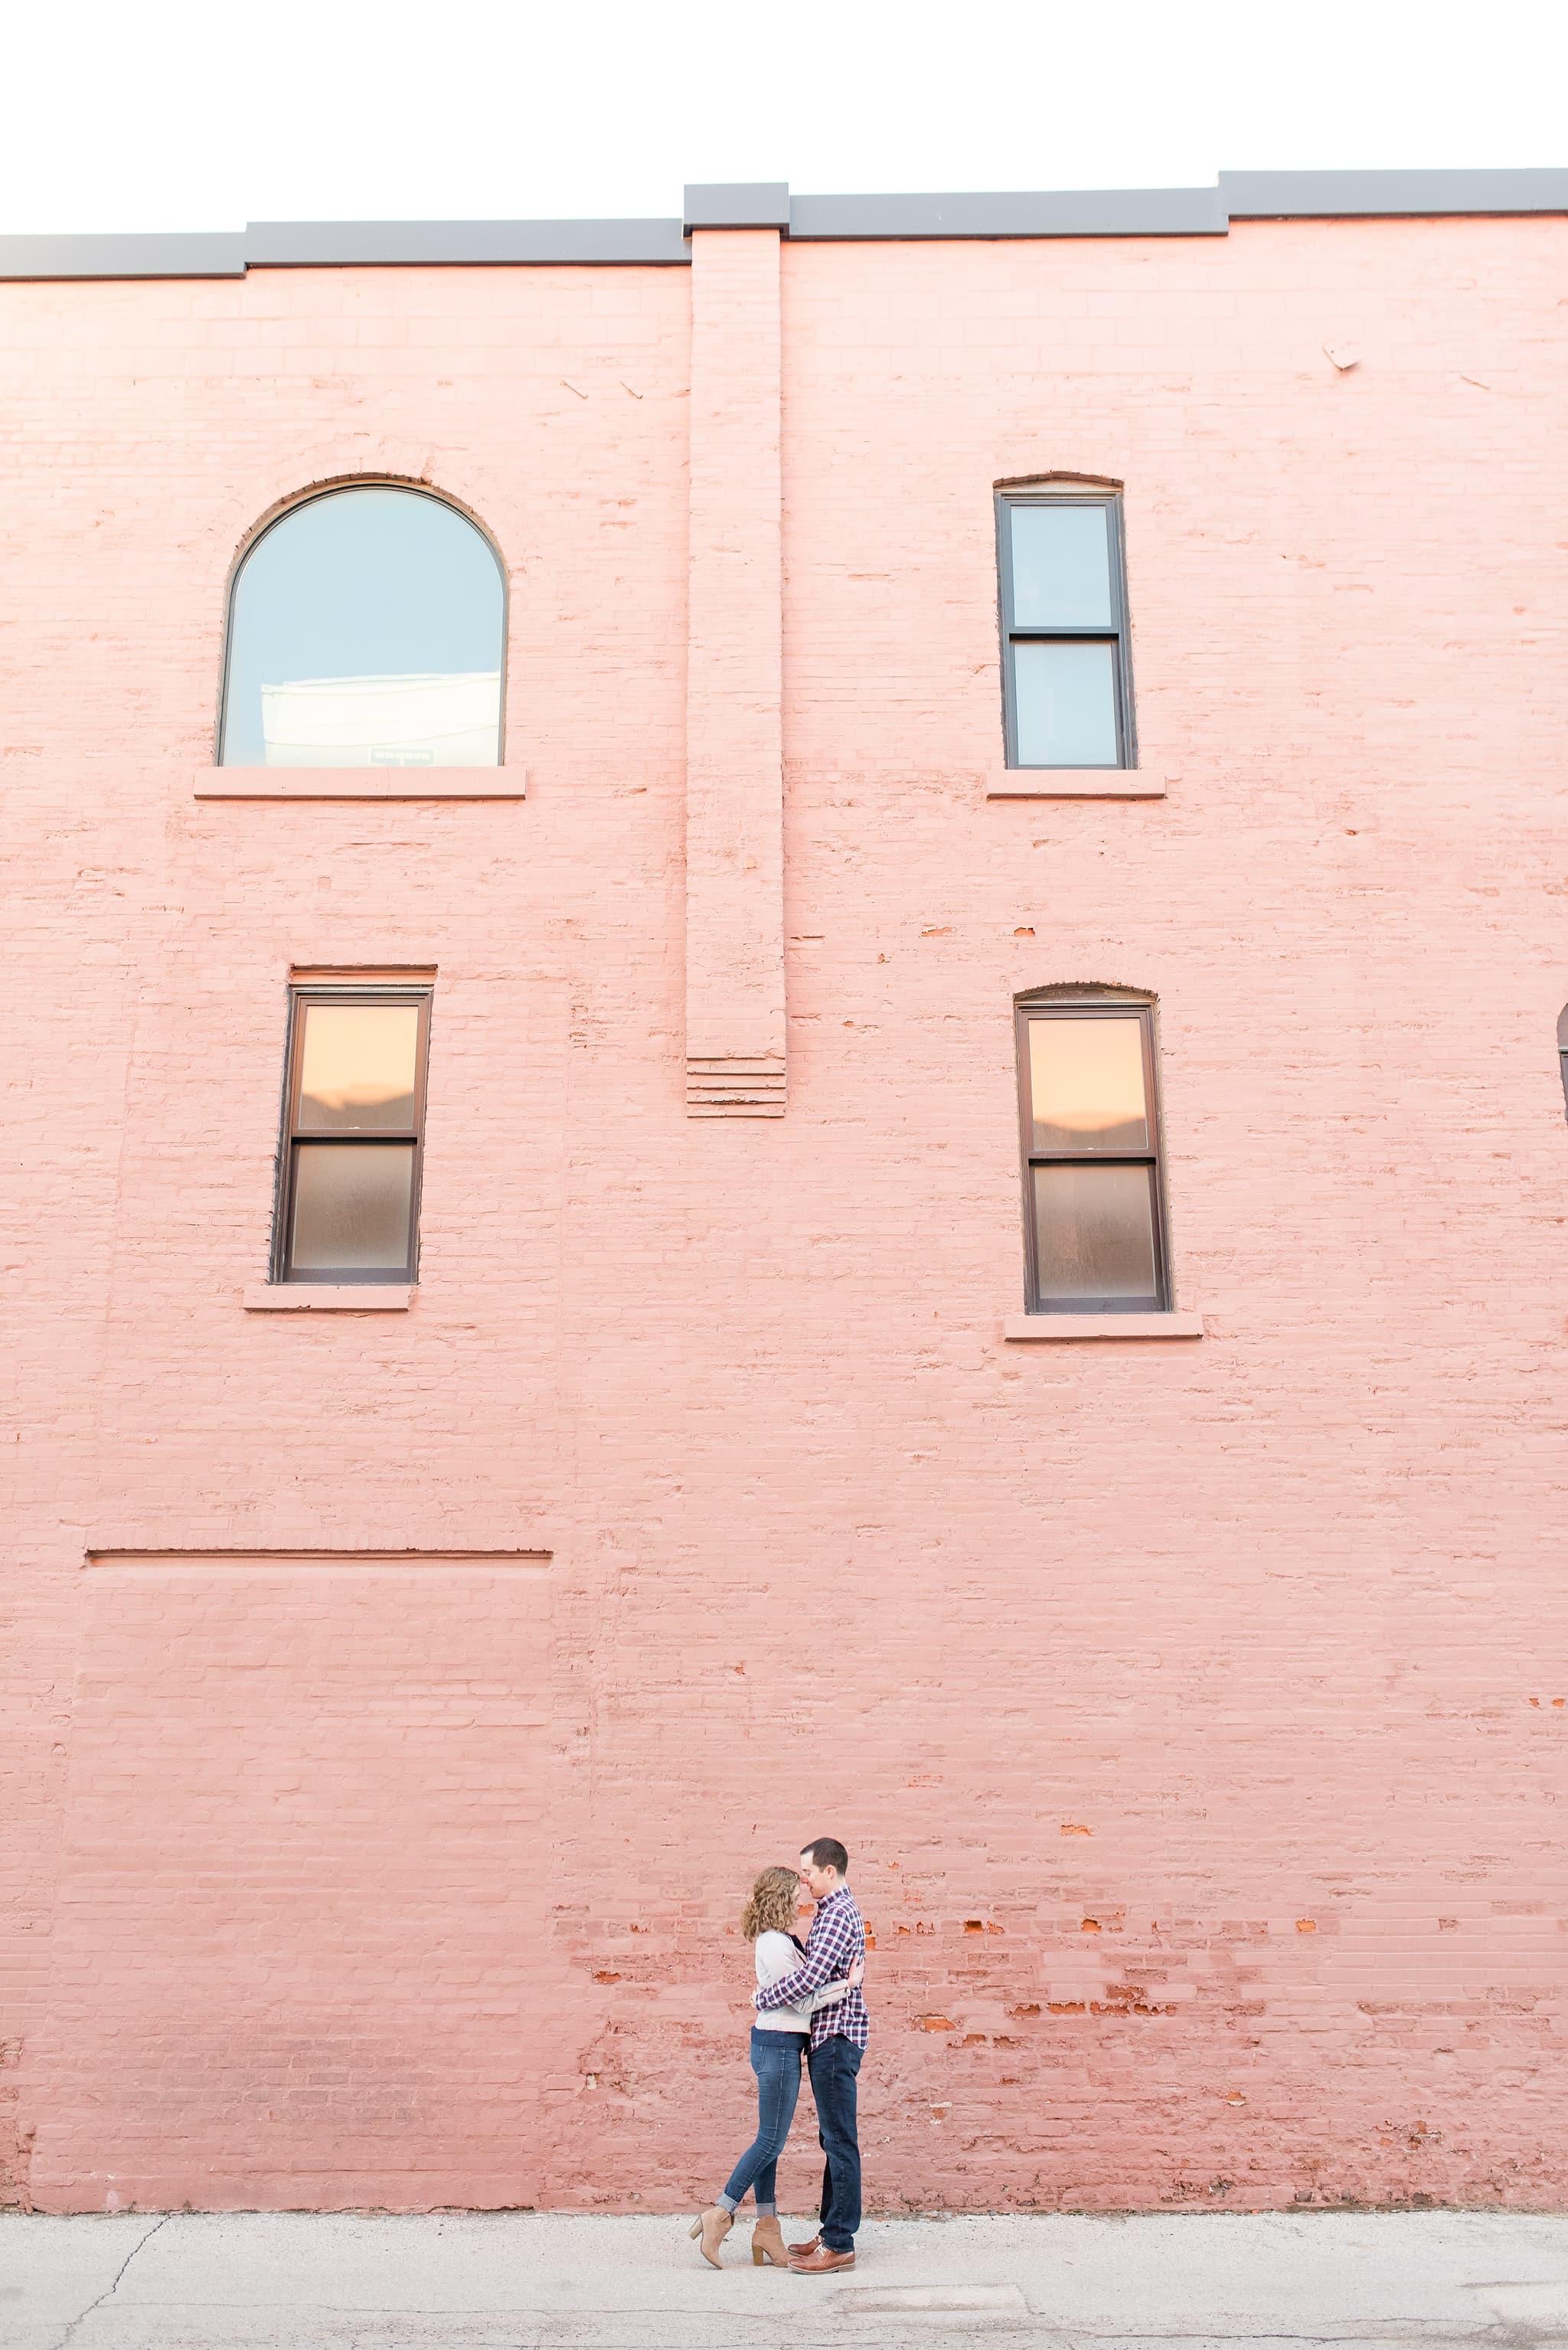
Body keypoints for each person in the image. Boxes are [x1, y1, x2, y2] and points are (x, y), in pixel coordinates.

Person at [689, 1865, 863, 2269]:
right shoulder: (774, 1944)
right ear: (782, 1898)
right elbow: (802, 2001)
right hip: (780, 2047)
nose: (803, 1892)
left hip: (782, 2045)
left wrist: (766, 1996)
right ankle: (720, 2213)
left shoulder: (782, 1940)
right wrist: (847, 1985)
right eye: (797, 1888)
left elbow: (787, 1992)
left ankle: (767, 2228)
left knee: (770, 2141)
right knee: (770, 2141)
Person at [753, 1836, 867, 2275]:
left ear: (829, 1872)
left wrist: (763, 1997)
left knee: (840, 2140)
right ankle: (830, 2231)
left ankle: (840, 2243)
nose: (804, 1880)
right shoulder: (831, 1912)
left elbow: (809, 1982)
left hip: (836, 2037)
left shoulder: (837, 1914)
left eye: (808, 1872)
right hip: (829, 2036)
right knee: (832, 2139)